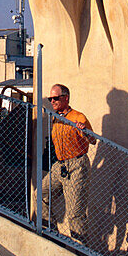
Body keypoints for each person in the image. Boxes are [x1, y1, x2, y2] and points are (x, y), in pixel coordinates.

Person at [42, 84, 96, 244]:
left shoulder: (78, 117)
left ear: (66, 98)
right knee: (40, 196)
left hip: (76, 165)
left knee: (75, 214)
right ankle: (52, 236)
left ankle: (81, 252)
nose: (53, 101)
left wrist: (84, 130)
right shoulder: (55, 117)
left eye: (56, 98)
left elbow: (93, 140)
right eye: (51, 99)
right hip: (59, 165)